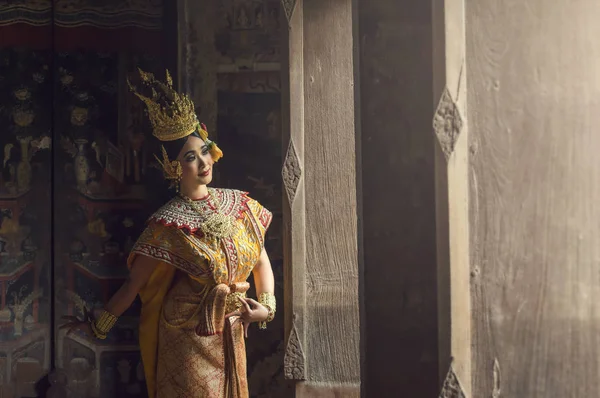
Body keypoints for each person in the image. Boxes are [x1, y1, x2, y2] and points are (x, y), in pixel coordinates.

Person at [61, 69, 276, 398]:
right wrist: (96, 326)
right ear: (173, 168)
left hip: (230, 330)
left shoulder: (240, 204)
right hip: (187, 333)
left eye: (204, 150)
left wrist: (266, 308)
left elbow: (260, 261)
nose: (203, 162)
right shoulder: (168, 224)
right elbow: (134, 286)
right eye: (190, 157)